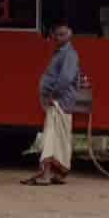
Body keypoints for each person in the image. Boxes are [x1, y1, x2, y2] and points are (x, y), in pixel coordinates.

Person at [22, 21, 79, 186]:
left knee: (51, 138)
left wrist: (52, 95)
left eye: (63, 34)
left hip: (59, 101)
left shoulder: (69, 54)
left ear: (70, 35)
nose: (59, 37)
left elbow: (66, 79)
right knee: (58, 138)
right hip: (58, 100)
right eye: (57, 34)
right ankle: (56, 174)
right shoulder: (61, 53)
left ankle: (46, 174)